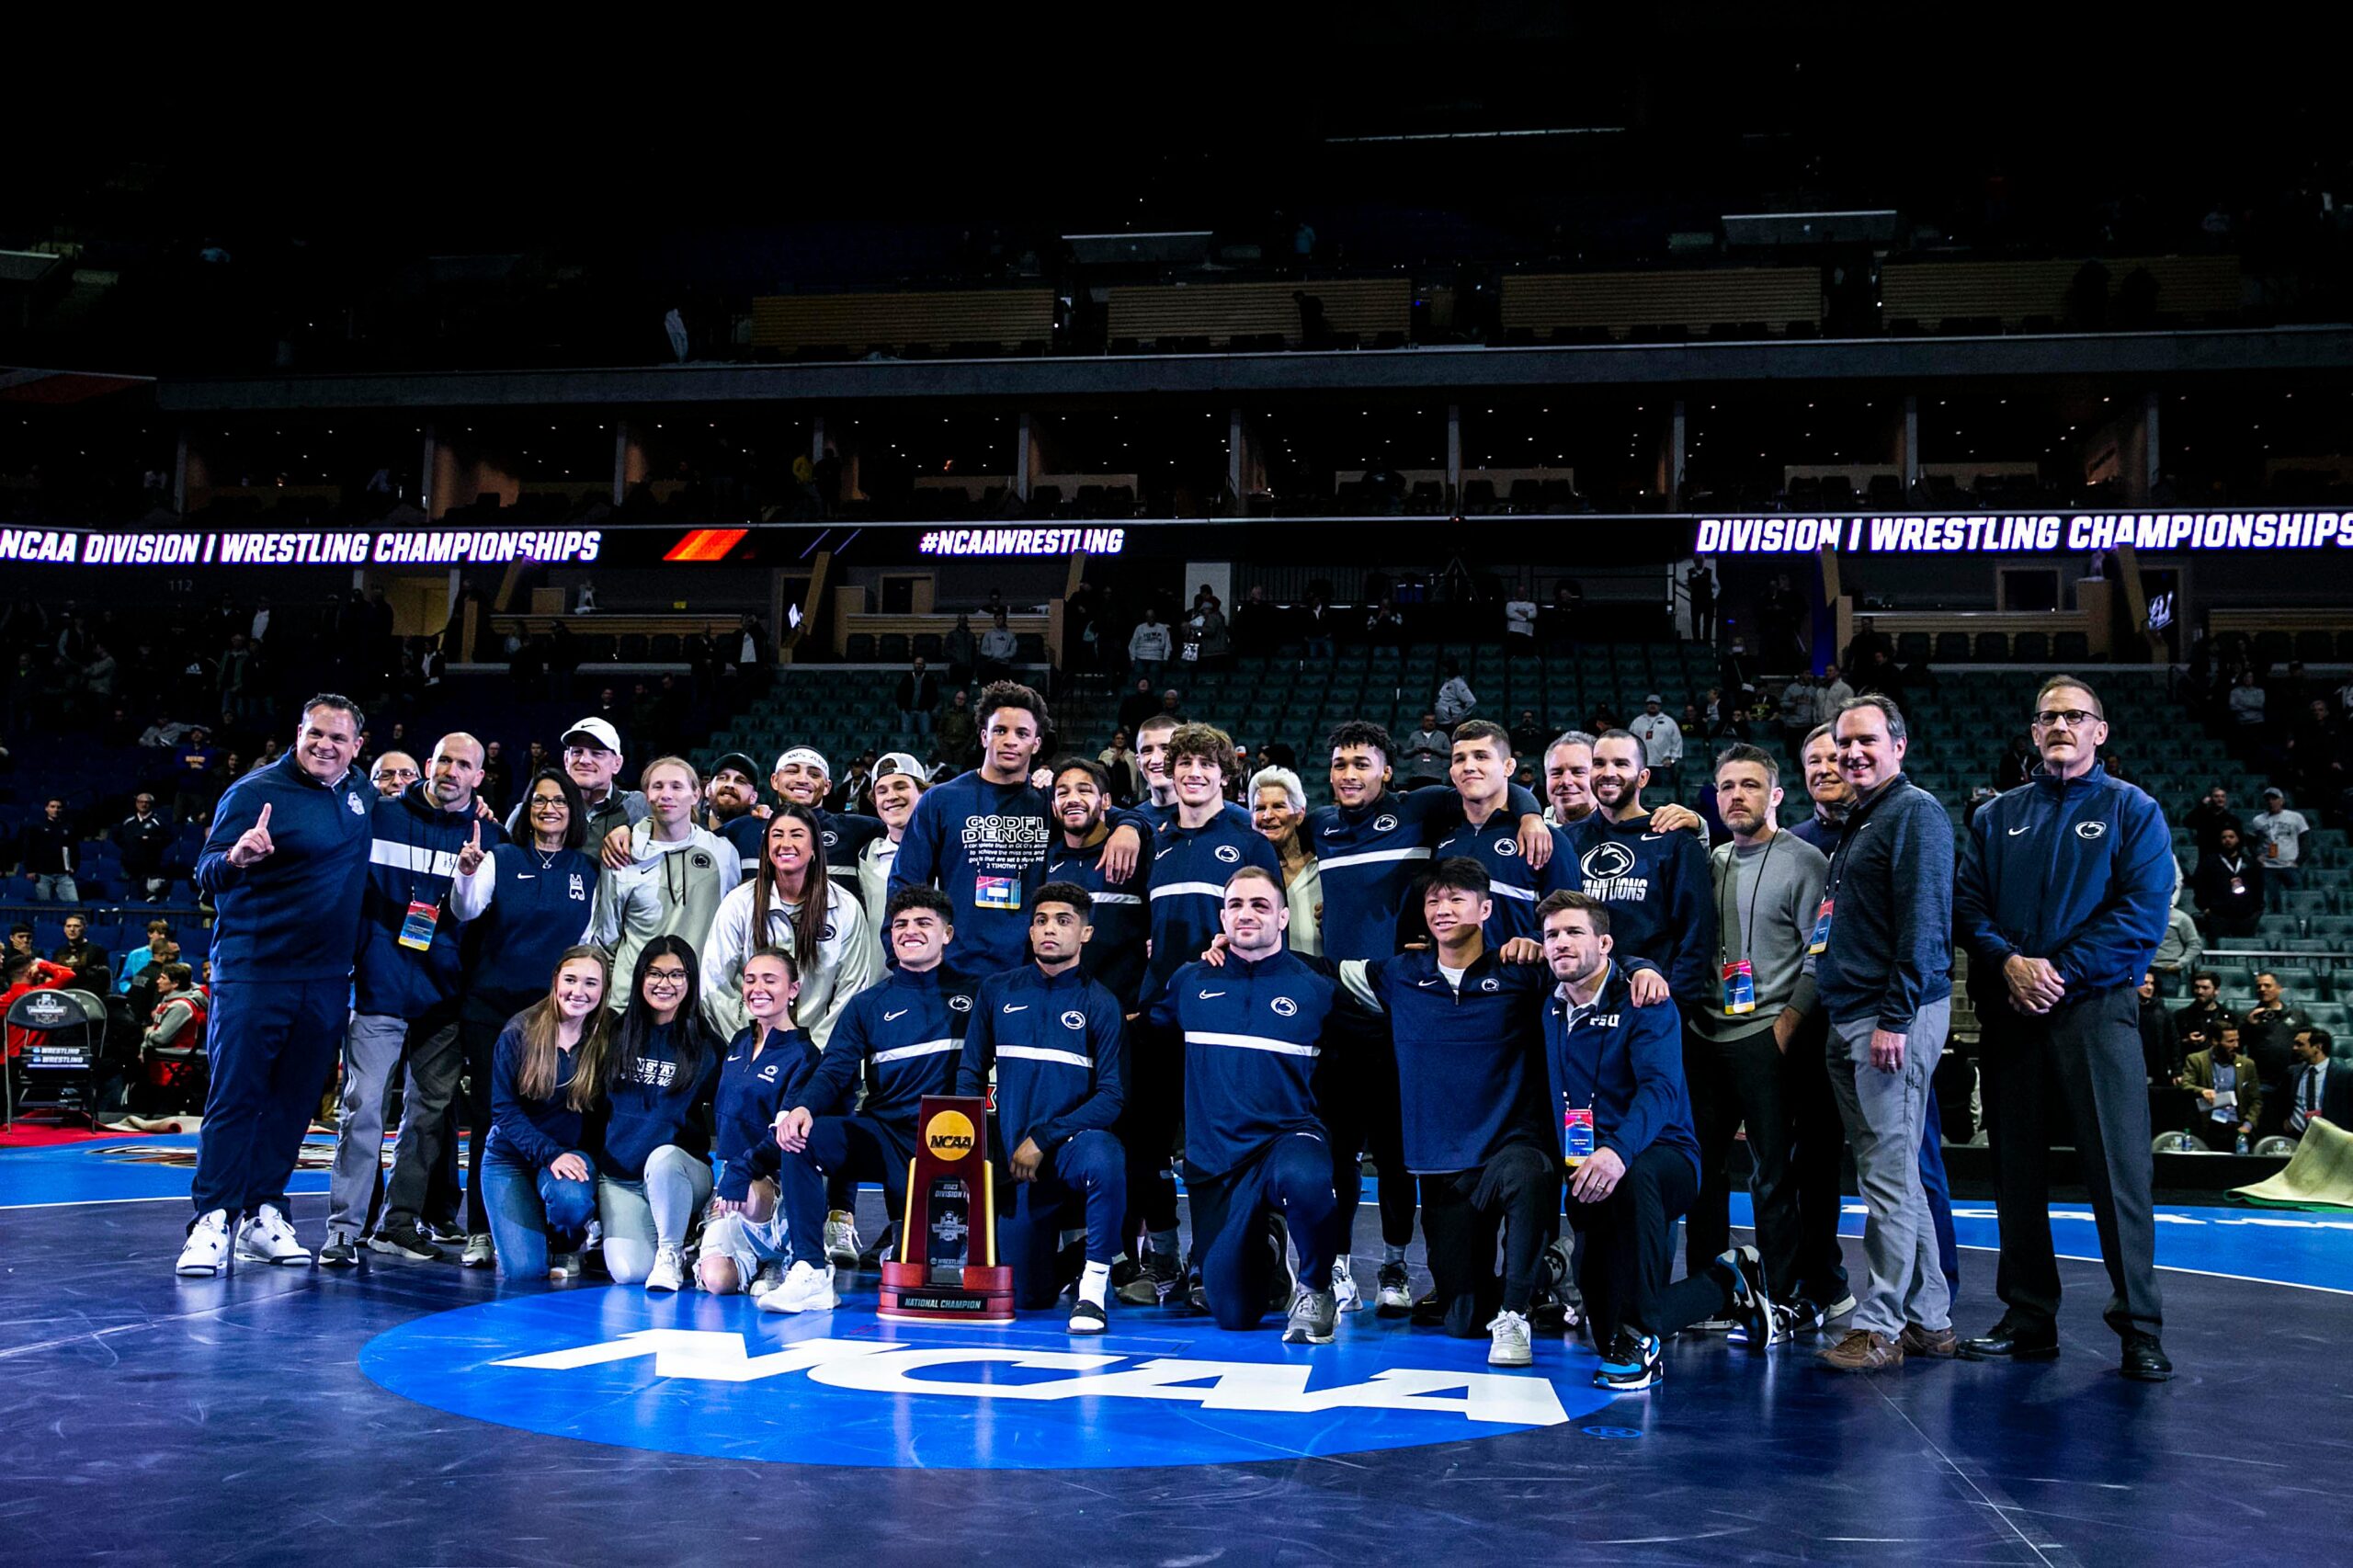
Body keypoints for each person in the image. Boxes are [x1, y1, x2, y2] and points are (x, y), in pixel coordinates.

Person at [1954, 676, 2174, 1382]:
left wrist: (2057, 971)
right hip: (2012, 1011)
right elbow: (1968, 906)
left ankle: (2139, 1328)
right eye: (2048, 716)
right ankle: (2028, 1318)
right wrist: (2010, 964)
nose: (2060, 726)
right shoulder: (1997, 817)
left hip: (2096, 1013)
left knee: (2119, 1173)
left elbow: (2142, 914)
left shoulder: (2133, 810)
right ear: (2033, 732)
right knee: (2015, 1173)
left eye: (2075, 716)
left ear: (2099, 733)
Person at [1308, 718, 1550, 1315]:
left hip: (1407, 1008)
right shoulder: (1320, 824)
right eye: (1340, 764)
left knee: (1397, 1150)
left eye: (1362, 764)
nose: (1349, 774)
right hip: (1340, 1006)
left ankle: (1394, 1264)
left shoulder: (1423, 807)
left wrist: (1530, 816)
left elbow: (1489, 786)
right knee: (1338, 1151)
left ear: (1388, 772)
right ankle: (1338, 1267)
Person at [1539, 892, 1779, 1392]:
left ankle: (1642, 1339)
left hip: (1664, 1157)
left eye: (1574, 932)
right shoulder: (1551, 1006)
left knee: (1636, 1178)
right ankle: (1728, 1282)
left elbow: (1661, 1090)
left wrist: (1617, 1151)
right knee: (1606, 1329)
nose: (1561, 943)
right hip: (1591, 1170)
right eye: (1552, 935)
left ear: (1605, 943)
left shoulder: (1645, 1000)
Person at [1336, 860, 1567, 1367]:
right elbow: (1315, 971)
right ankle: (1548, 1268)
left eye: (1457, 899)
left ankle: (1516, 1315)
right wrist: (1234, 946)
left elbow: (1591, 960)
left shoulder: (1522, 971)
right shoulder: (1399, 974)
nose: (1443, 909)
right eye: (1434, 901)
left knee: (1530, 1174)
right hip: (1443, 1166)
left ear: (1485, 910)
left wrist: (1642, 968)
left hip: (1511, 1144)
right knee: (1463, 1320)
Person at [177, 694, 375, 1278]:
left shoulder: (360, 794)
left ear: (356, 746)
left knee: (293, 1103)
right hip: (255, 972)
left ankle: (263, 1213)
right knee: (236, 1097)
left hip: (326, 979)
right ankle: (212, 1219)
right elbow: (205, 871)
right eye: (315, 733)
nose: (324, 746)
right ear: (298, 733)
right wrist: (236, 857)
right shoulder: (253, 792)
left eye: (337, 738)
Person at [1810, 695, 1956, 1373]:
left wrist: (1896, 1017)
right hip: (1853, 1014)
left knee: (1889, 1181)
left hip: (1887, 1017)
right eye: (1844, 743)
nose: (1852, 753)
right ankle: (1930, 1319)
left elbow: (1925, 925)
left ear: (1899, 745)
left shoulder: (1914, 813)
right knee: (1891, 1174)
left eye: (1866, 740)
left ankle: (1880, 1326)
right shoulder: (1864, 818)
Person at [321, 733, 497, 1267]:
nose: (451, 771)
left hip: (445, 996)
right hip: (379, 988)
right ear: (428, 764)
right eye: (444, 760)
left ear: (479, 777)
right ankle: (344, 1229)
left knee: (427, 1118)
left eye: (464, 765)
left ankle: (397, 1224)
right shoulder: (381, 815)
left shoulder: (488, 834)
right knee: (363, 1110)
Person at [1152, 867, 1345, 1341]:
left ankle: (1316, 1287)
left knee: (1306, 1178)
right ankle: (1269, 1244)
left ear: (1283, 918)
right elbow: (1146, 1037)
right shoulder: (1189, 982)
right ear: (1222, 918)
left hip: (1287, 1138)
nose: (1246, 914)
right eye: (1236, 905)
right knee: (1234, 1314)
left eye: (1260, 905)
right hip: (1216, 1159)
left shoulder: (1316, 989)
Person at [1126, 724, 1280, 1300]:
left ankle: (1212, 1258)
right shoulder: (1154, 839)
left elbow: (1271, 924)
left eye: (1205, 764)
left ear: (1224, 774)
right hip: (1159, 1012)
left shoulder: (1248, 840)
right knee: (1146, 1145)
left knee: (1212, 1147)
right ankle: (1163, 1259)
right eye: (1183, 763)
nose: (1193, 773)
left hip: (1225, 1017)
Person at [772, 887, 976, 1309]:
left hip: (955, 1147)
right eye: (901, 924)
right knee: (800, 1140)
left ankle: (906, 1244)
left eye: (923, 923)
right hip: (886, 1137)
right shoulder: (867, 1005)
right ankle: (810, 1272)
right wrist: (802, 1108)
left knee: (940, 1276)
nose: (910, 931)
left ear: (947, 934)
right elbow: (834, 1069)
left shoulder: (980, 996)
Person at [1686, 744, 1829, 1319]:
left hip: (1766, 1034)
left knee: (1772, 1175)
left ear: (1776, 795)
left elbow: (1820, 954)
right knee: (1703, 1172)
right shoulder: (1710, 861)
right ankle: (1708, 1293)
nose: (1736, 796)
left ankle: (1779, 1292)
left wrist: (1786, 1026)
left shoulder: (1805, 861)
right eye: (1726, 786)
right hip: (1705, 1035)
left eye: (1749, 785)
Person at [957, 882, 1129, 1330]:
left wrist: (1044, 1137)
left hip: (1069, 1150)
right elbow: (970, 1076)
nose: (1050, 929)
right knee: (1028, 1296)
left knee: (1106, 1155)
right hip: (1015, 1163)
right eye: (1041, 920)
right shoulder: (996, 991)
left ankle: (1093, 1290)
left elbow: (1111, 1097)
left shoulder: (1101, 1003)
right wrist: (980, 1152)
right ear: (1031, 931)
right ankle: (1103, 1246)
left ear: (1085, 934)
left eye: (1063, 921)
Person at [450, 767, 600, 1267]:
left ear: (573, 811)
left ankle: (561, 1221)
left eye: (559, 801)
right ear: (527, 808)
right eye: (540, 800)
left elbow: (590, 943)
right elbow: (467, 910)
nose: (549, 808)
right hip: (493, 1009)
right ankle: (480, 1229)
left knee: (563, 1110)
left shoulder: (587, 869)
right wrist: (466, 874)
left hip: (559, 1015)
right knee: (490, 1116)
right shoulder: (502, 857)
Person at [892, 681, 1142, 973]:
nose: (1010, 741)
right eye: (1000, 731)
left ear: (1036, 743)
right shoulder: (941, 800)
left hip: (1035, 969)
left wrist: (1129, 826)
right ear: (984, 736)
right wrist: (900, 959)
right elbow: (905, 882)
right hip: (956, 967)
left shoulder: (1048, 799)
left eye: (1022, 733)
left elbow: (1100, 812)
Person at [588, 936, 721, 1290]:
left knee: (663, 1159)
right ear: (640, 978)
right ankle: (673, 1236)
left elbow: (731, 1116)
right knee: (630, 1272)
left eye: (677, 974)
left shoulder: (708, 1046)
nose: (665, 983)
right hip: (622, 1179)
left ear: (690, 981)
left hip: (680, 1173)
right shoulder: (613, 1035)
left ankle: (672, 1250)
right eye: (655, 973)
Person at [697, 949, 824, 1302]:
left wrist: (741, 1173)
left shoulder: (805, 1055)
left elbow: (784, 1134)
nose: (758, 989)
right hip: (732, 1178)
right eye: (750, 980)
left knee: (750, 1196)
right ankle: (756, 1261)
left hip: (773, 1179)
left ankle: (785, 1255)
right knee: (717, 1281)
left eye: (770, 980)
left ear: (793, 989)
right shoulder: (739, 1041)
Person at [700, 803, 881, 1046]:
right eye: (777, 835)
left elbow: (852, 988)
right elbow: (715, 982)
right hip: (749, 1045)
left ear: (815, 847)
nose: (785, 844)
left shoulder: (845, 907)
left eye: (796, 835)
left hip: (819, 1050)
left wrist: (815, 1051)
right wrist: (749, 1042)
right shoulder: (739, 903)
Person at [480, 947, 608, 1282]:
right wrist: (550, 1154)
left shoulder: (609, 1035)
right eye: (571, 980)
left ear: (604, 989)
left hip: (572, 1154)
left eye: (591, 983)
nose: (578, 991)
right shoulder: (519, 1030)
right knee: (525, 1272)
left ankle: (567, 1240)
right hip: (510, 1158)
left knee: (570, 1201)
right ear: (555, 981)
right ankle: (528, 1227)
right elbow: (504, 1111)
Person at [590, 757, 739, 1015]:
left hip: (699, 1005)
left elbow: (733, 929)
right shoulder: (621, 854)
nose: (666, 794)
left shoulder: (723, 853)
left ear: (696, 795)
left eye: (676, 786)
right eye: (657, 786)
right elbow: (605, 939)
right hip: (632, 1004)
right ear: (646, 795)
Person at [1432, 722, 1575, 946]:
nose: (1468, 766)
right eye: (1459, 759)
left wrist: (1534, 941)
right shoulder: (1439, 836)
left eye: (1481, 756)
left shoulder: (1547, 839)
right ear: (1452, 772)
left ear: (1508, 767)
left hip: (1517, 969)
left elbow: (1571, 918)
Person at [1044, 757, 1149, 1016]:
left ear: (1106, 801)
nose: (1072, 799)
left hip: (1125, 1012)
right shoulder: (1046, 862)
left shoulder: (1135, 853)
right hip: (1059, 1009)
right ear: (1054, 807)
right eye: (1063, 793)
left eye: (1084, 790)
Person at [506, 718, 648, 846]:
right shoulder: (533, 810)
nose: (584, 760)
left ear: (617, 763)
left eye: (597, 753)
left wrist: (631, 829)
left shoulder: (638, 806)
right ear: (566, 760)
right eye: (577, 752)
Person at [1250, 765, 1322, 957]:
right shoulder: (1245, 877)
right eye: (1259, 808)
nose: (1267, 816)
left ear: (1299, 814)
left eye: (1278, 806)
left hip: (1323, 973)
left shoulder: (1325, 870)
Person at [855, 753, 928, 937]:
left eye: (900, 787)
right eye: (882, 791)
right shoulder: (867, 856)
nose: (891, 797)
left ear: (923, 793)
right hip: (877, 956)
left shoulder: (948, 853)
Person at [2240, 970, 2315, 1140]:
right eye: (2259, 986)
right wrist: (2249, 1025)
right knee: (2263, 1124)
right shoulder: (2248, 1017)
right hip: (2260, 1079)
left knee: (2288, 1126)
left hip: (2291, 1080)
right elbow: (2236, 1045)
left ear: (2279, 988)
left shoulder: (2297, 1015)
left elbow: (2310, 1040)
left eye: (2267, 985)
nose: (2262, 989)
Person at [2177, 1024, 2259, 1150]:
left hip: (2236, 1127)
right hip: (2208, 1126)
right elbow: (2185, 1085)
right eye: (2230, 1041)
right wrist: (2202, 1091)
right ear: (2215, 1041)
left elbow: (2256, 1100)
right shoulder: (2197, 1060)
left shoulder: (2246, 1064)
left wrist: (2248, 1125)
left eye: (2237, 1040)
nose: (2236, 1045)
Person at [2192, 824, 2263, 938]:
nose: (2227, 840)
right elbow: (2200, 885)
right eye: (2224, 837)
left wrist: (2256, 909)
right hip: (2218, 915)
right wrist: (2205, 908)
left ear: (2238, 839)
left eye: (2231, 837)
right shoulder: (2210, 862)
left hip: (2246, 916)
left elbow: (2258, 887)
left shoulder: (2250, 862)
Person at [2248, 788, 2309, 913]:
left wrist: (2299, 861)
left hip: (2290, 866)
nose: (2271, 802)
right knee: (2270, 900)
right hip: (2268, 867)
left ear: (2282, 800)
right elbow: (2250, 841)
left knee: (2296, 899)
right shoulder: (2258, 820)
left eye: (2274, 799)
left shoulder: (2296, 817)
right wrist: (2256, 855)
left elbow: (2305, 841)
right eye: (2268, 799)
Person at [11, 797, 78, 903]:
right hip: (42, 875)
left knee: (73, 904)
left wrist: (74, 866)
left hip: (63, 874)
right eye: (52, 807)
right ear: (46, 808)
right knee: (44, 906)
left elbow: (74, 849)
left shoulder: (68, 828)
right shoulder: (36, 827)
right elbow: (29, 849)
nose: (56, 810)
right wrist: (30, 870)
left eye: (59, 807)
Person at [111, 792, 174, 903]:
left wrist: (151, 841)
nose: (143, 805)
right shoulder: (128, 821)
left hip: (149, 865)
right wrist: (129, 846)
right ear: (136, 803)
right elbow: (117, 837)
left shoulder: (158, 821)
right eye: (141, 802)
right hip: (129, 864)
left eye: (147, 802)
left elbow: (167, 839)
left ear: (151, 804)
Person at [1628, 696, 1685, 804]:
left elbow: (1677, 742)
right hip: (1642, 766)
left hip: (1663, 766)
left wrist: (1672, 759)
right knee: (1642, 798)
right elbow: (1630, 742)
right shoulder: (1637, 721)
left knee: (1664, 797)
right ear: (1646, 705)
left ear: (1659, 706)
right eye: (1650, 703)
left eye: (1655, 704)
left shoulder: (1669, 722)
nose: (1652, 706)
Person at [52, 913, 111, 993]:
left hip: (88, 994)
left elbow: (103, 979)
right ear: (64, 929)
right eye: (68, 926)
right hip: (63, 993)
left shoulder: (97, 950)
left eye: (77, 926)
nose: (72, 929)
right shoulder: (59, 952)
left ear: (85, 928)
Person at [1402, 712, 1450, 787]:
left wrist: (1436, 750)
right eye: (1427, 720)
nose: (1430, 723)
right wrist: (1415, 750)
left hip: (1435, 776)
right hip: (1416, 776)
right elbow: (1405, 754)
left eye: (1433, 721)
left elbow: (1450, 753)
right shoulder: (1414, 735)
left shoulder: (1442, 736)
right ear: (1422, 722)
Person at [1127, 609, 1171, 689]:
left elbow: (1168, 645)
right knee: (1138, 677)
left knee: (1154, 678)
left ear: (1155, 617)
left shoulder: (1162, 628)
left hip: (1156, 657)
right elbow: (1132, 644)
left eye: (1152, 617)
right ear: (1146, 618)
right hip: (1141, 656)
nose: (1151, 619)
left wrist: (1165, 658)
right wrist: (1132, 658)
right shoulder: (1140, 628)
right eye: (1148, 617)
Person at [896, 657, 938, 735]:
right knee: (906, 736)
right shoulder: (906, 678)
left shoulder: (930, 680)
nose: (919, 665)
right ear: (914, 665)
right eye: (917, 663)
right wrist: (903, 708)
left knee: (926, 735)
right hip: (908, 711)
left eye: (921, 664)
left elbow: (934, 696)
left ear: (924, 666)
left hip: (924, 712)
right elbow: (899, 694)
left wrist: (928, 709)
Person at [977, 611, 1020, 685]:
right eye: (996, 619)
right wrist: (993, 655)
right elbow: (983, 650)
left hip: (1004, 667)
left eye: (1000, 619)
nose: (998, 621)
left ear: (1004, 620)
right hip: (991, 666)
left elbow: (1013, 652)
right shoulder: (988, 634)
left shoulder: (1010, 635)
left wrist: (1001, 656)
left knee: (1003, 689)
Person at [1434, 661, 1477, 728]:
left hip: (1451, 723)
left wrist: (1461, 717)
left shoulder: (1458, 683)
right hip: (1441, 721)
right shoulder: (1446, 682)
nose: (1443, 670)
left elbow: (1471, 701)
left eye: (1445, 668)